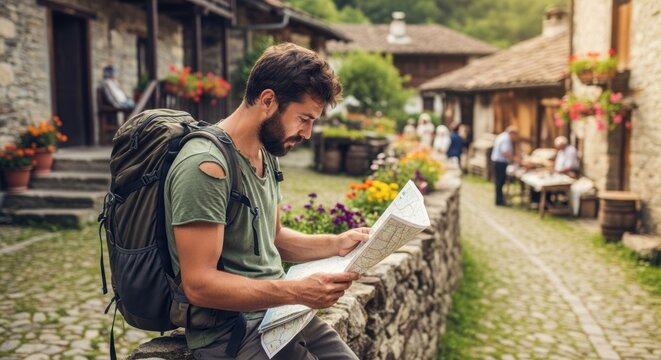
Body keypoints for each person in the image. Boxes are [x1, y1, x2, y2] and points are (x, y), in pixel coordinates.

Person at [164, 43, 368, 359]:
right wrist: (296, 292)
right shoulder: (205, 166)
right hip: (232, 335)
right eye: (304, 118)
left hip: (279, 316)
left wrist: (337, 244)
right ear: (268, 100)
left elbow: (274, 238)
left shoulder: (266, 153)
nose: (308, 133)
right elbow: (199, 284)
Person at [491, 126, 518, 206]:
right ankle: (499, 200)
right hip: (500, 162)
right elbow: (505, 152)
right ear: (512, 133)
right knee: (500, 181)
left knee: (499, 182)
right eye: (515, 135)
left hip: (498, 161)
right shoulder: (506, 139)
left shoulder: (503, 136)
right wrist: (514, 159)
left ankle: (499, 199)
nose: (515, 138)